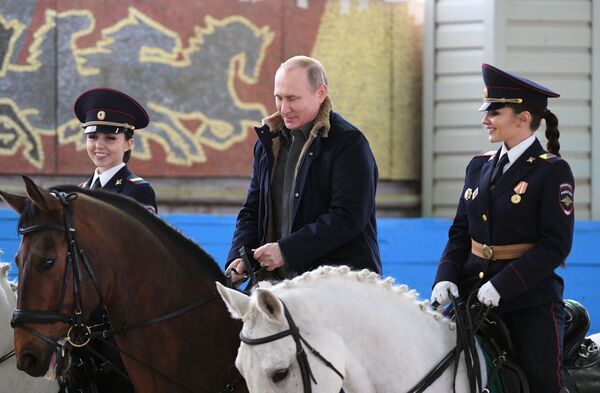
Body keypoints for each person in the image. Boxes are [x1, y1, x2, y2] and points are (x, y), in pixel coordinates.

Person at [431, 64, 574, 393]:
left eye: (494, 112)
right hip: (470, 295)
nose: (485, 120)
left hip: (528, 300)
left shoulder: (552, 171)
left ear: (523, 117)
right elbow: (460, 232)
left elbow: (556, 246)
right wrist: (446, 275)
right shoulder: (478, 165)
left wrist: (503, 285)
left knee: (542, 383)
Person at [227, 55, 381, 283]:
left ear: (321, 93)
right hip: (275, 287)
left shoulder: (349, 143)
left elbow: (348, 217)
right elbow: (253, 209)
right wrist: (240, 256)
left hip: (339, 286)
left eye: (293, 99)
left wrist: (286, 251)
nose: (283, 108)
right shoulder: (267, 142)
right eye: (278, 98)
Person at [61, 88, 157, 393]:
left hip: (120, 329)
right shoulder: (76, 194)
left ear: (128, 143)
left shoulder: (137, 191)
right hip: (80, 325)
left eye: (110, 138)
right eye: (92, 137)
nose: (99, 146)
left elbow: (137, 261)